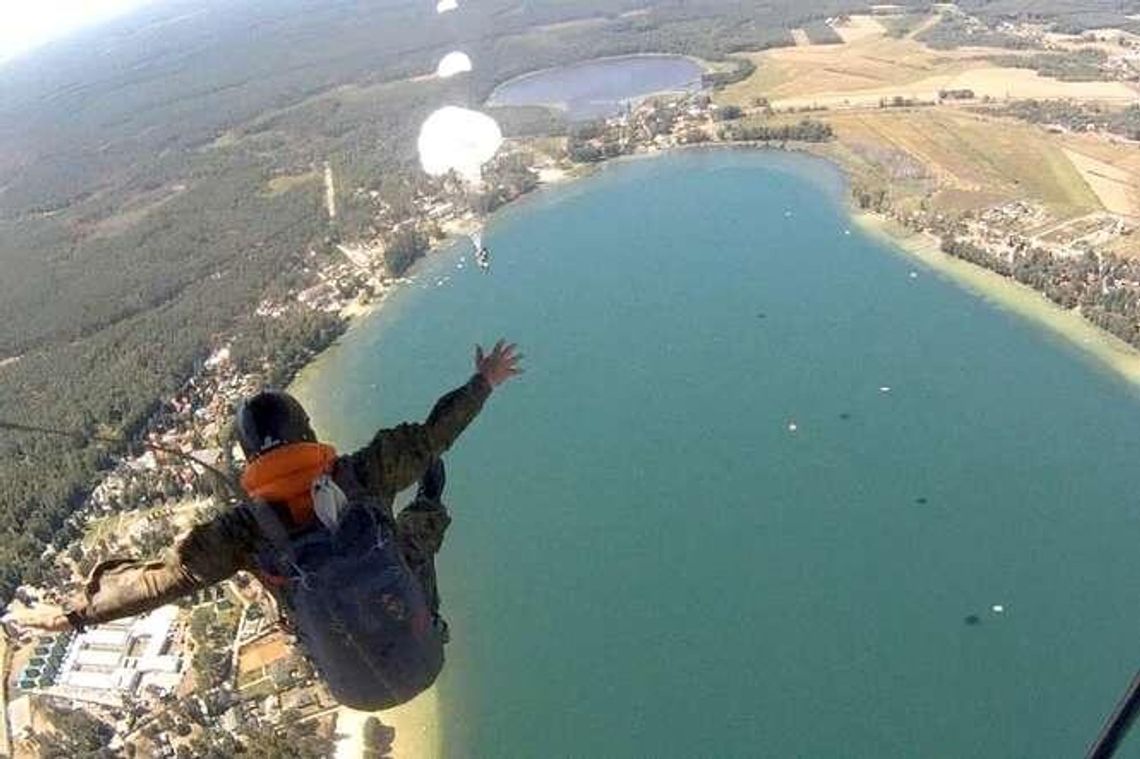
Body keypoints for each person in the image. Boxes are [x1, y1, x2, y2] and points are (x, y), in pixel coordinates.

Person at [7, 339, 522, 708]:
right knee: (416, 528)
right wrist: (484, 381)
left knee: (374, 557)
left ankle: (424, 512)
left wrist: (70, 615)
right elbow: (437, 434)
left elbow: (156, 583)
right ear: (307, 433)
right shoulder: (367, 472)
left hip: (355, 686)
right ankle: (432, 503)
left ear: (250, 455)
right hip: (419, 648)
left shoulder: (241, 531)